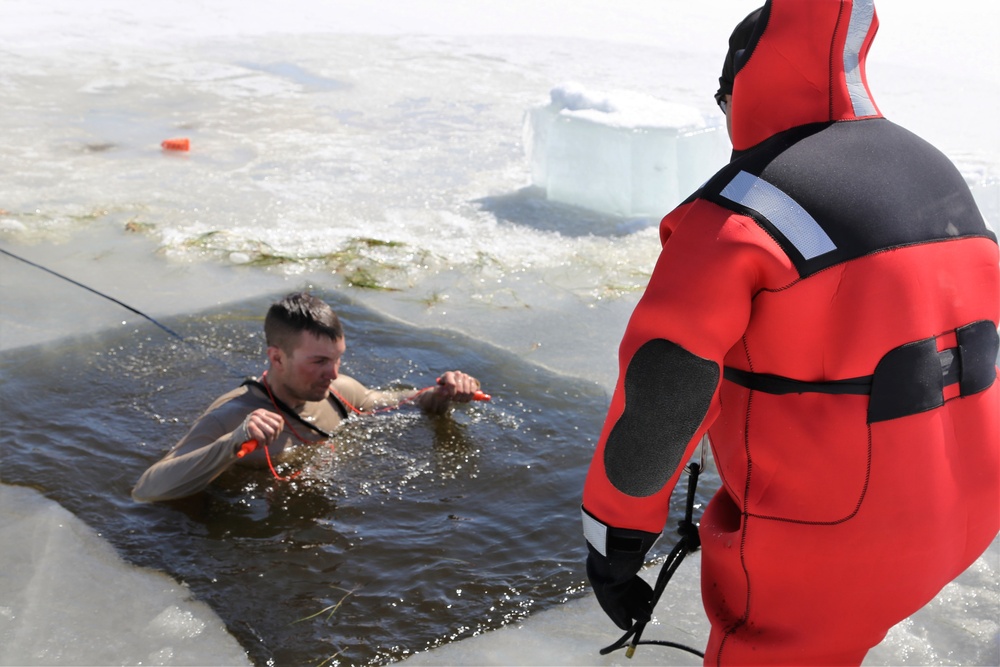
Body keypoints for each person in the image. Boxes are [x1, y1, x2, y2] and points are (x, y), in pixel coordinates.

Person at [581, 1, 999, 664]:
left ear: (742, 84)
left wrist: (614, 539)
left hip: (829, 547)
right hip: (968, 508)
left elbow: (668, 384)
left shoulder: (741, 209)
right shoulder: (937, 170)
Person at [132, 291, 483, 503]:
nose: (332, 374)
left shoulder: (338, 392)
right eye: (318, 362)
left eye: (337, 359)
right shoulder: (232, 415)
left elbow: (394, 402)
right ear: (277, 357)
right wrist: (231, 444)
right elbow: (148, 489)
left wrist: (442, 394)